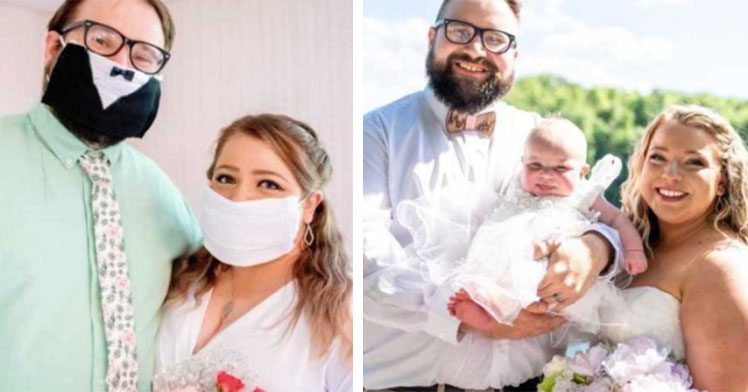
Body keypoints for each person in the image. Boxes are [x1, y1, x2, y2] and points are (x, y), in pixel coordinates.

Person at [364, 0, 625, 390]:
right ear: (433, 36)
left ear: (515, 55)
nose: (476, 49)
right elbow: (366, 263)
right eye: (460, 31)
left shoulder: (542, 135)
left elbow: (594, 211)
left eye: (496, 39)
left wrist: (595, 248)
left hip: (531, 383)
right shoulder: (376, 132)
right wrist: (467, 314)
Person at [0, 1, 201, 391]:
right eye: (102, 40)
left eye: (143, 55)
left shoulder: (166, 200)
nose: (122, 65)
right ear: (53, 49)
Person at [154, 115, 353, 391]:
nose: (239, 197)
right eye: (226, 178)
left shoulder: (340, 311)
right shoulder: (182, 280)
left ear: (309, 206)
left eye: (268, 184)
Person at [438, 119, 645, 333]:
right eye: (535, 165)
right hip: (508, 253)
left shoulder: (584, 194)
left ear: (582, 172)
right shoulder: (515, 183)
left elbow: (617, 219)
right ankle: (485, 310)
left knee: (548, 285)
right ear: (523, 162)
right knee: (486, 272)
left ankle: (526, 308)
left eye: (561, 168)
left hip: (554, 268)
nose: (546, 174)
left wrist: (634, 250)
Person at [599, 105, 748, 391]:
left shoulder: (720, 265)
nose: (670, 174)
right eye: (657, 157)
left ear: (722, 180)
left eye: (694, 162)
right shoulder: (631, 245)